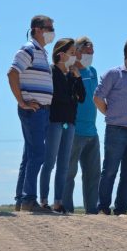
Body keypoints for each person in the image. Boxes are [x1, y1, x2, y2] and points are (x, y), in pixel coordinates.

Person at [94, 39, 127, 215]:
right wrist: (110, 115)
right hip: (116, 130)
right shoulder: (113, 74)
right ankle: (103, 208)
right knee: (109, 171)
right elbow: (98, 97)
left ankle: (121, 210)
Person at [9, 15, 56, 213]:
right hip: (33, 111)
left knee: (30, 155)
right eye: (49, 28)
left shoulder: (42, 52)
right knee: (37, 154)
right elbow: (12, 73)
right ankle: (29, 198)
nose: (52, 32)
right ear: (37, 29)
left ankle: (22, 199)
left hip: (41, 111)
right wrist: (21, 101)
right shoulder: (28, 49)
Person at [39, 38, 85, 213]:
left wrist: (77, 78)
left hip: (70, 123)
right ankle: (43, 200)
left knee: (64, 164)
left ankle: (58, 201)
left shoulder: (71, 76)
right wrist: (70, 97)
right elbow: (58, 97)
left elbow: (82, 97)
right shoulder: (52, 72)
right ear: (61, 54)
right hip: (55, 122)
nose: (75, 56)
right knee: (49, 161)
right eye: (72, 53)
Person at [64, 37, 100, 214]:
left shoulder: (93, 72)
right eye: (87, 52)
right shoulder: (69, 72)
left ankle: (92, 211)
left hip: (92, 131)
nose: (90, 55)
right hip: (74, 130)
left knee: (93, 175)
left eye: (92, 52)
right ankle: (66, 208)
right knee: (69, 173)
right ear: (77, 52)